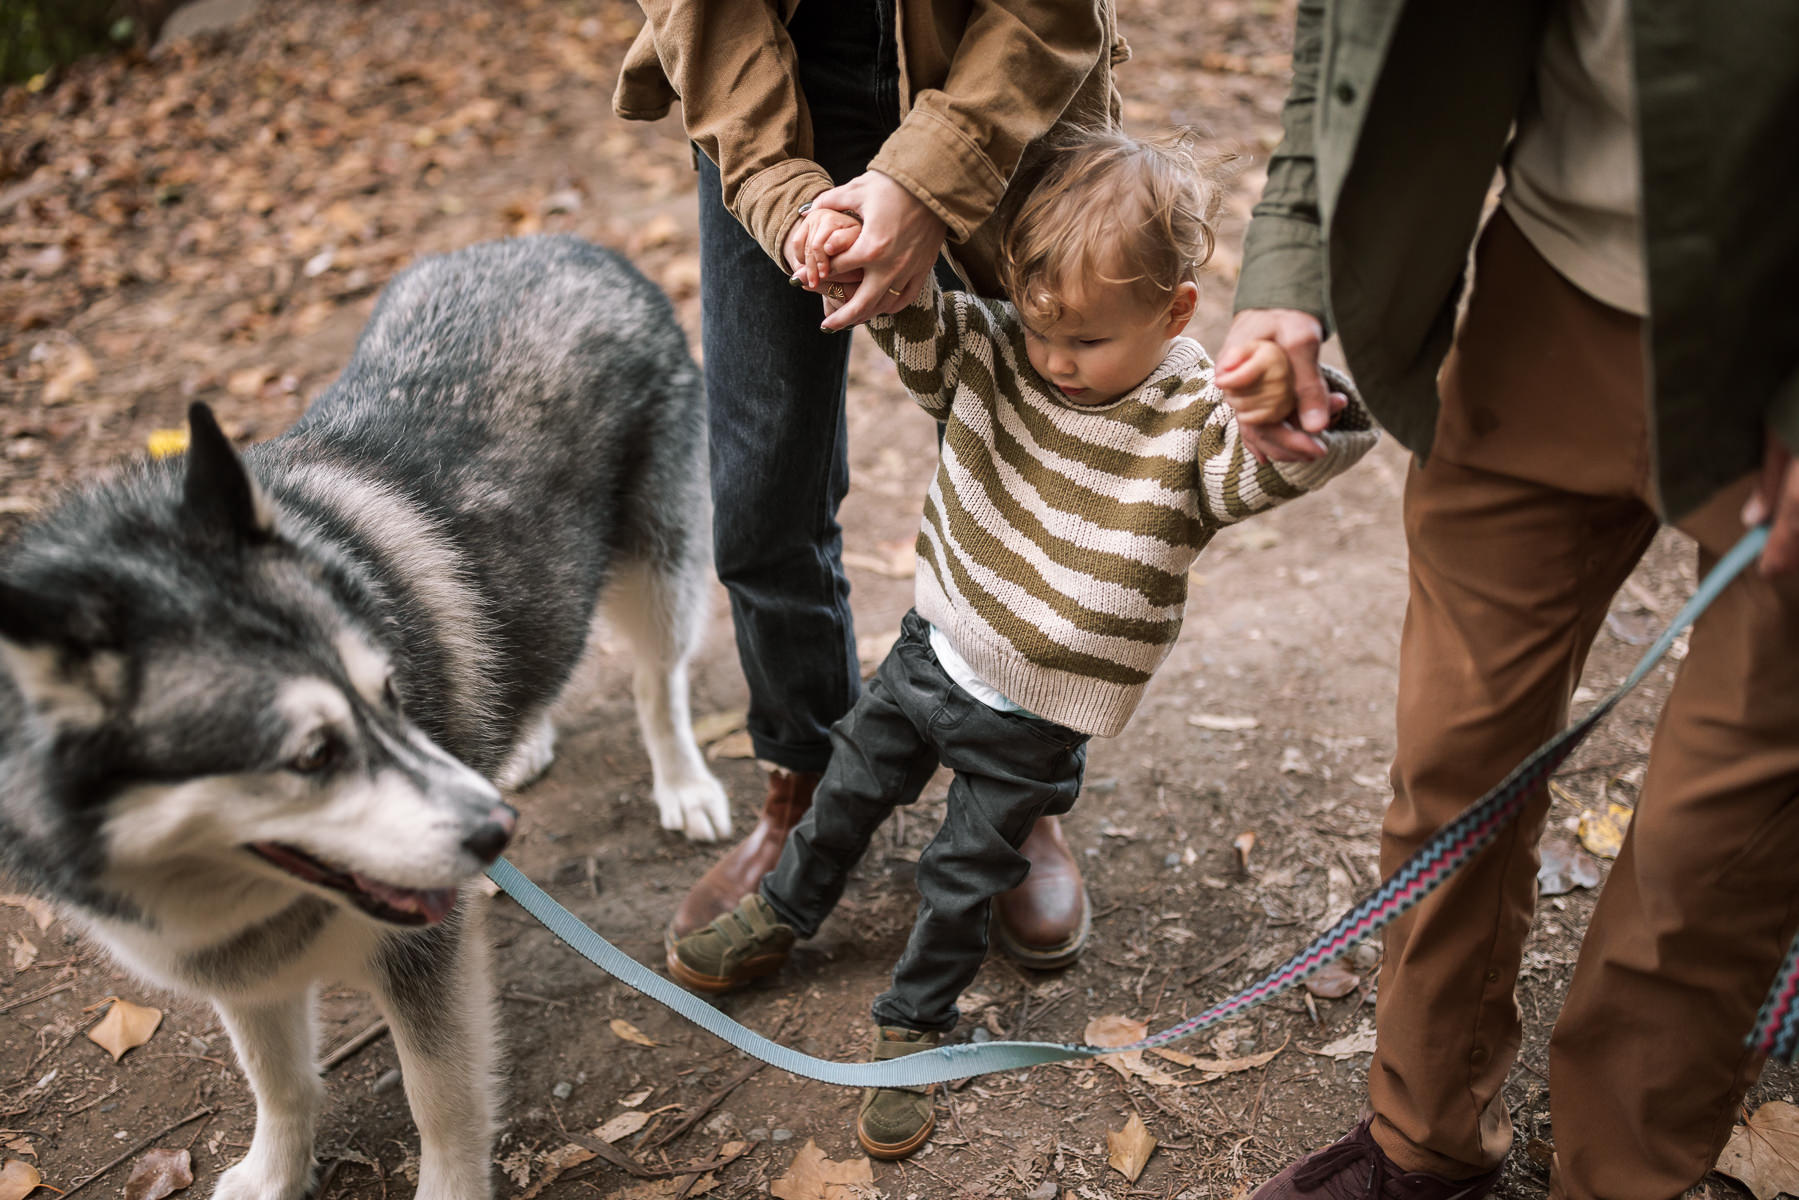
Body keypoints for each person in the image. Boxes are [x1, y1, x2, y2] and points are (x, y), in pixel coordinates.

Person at [667, 129, 1380, 1161]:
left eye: (1085, 340)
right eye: (1041, 328)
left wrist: (1300, 405)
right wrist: (846, 240)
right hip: (928, 655)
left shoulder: (1191, 420)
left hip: (1034, 722)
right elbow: (916, 316)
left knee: (962, 877)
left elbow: (1260, 470)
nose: (1054, 361)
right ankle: (782, 910)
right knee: (843, 801)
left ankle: (912, 1025)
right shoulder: (998, 348)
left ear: (1173, 311)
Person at [1212, 2, 1799, 1197]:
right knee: (1450, 760)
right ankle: (1419, 1148)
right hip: (1546, 291)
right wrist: (1296, 257)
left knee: (1712, 855)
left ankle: (1625, 1176)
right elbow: (1350, 26)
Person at [612, 0, 1128, 967]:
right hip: (770, 95)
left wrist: (927, 182)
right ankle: (802, 783)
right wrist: (776, 186)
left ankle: (1015, 801)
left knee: (1027, 474)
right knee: (762, 491)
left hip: (1000, 78)